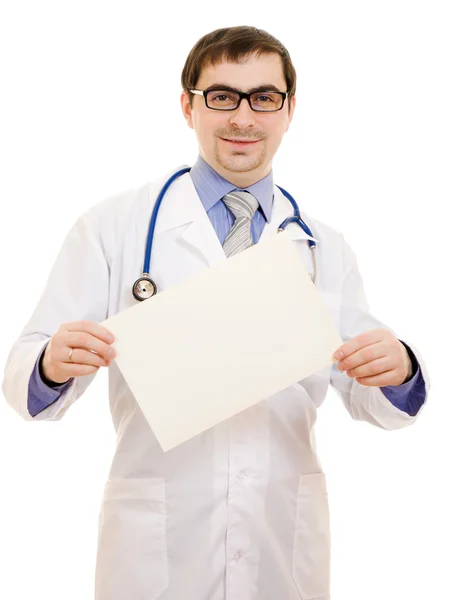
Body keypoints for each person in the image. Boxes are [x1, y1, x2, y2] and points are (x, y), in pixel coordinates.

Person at [2, 25, 428, 600]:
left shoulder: (323, 247)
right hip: (158, 540)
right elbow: (25, 378)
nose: (243, 117)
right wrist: (51, 363)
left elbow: (373, 402)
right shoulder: (113, 227)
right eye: (222, 96)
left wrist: (397, 369)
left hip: (281, 536)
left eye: (264, 97)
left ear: (289, 109)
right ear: (188, 106)